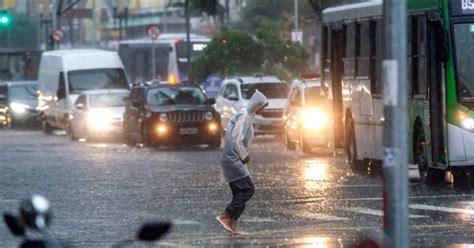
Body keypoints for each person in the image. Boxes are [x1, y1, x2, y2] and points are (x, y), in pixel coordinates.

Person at [216, 91, 268, 234]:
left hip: (235, 159)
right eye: (264, 106)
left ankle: (232, 224)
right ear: (257, 105)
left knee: (239, 192)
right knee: (248, 189)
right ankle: (226, 215)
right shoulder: (243, 115)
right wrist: (244, 155)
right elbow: (235, 139)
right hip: (233, 159)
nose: (265, 109)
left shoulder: (248, 116)